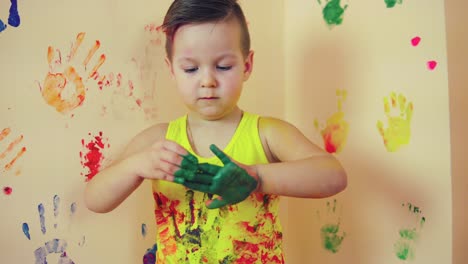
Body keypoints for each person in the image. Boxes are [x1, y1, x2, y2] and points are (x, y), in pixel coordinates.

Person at [84, 0, 347, 263]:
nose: (207, 81)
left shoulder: (267, 132)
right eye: (190, 69)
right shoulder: (158, 140)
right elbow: (95, 199)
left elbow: (333, 175)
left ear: (247, 65)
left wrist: (256, 178)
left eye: (223, 66)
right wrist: (135, 166)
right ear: (171, 70)